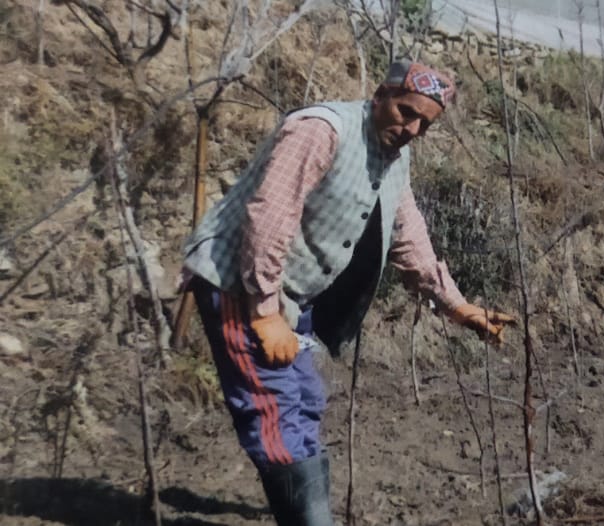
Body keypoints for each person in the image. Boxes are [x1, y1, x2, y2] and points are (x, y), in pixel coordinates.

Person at [179, 60, 516, 526]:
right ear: (380, 95)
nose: (412, 128)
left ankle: (306, 512)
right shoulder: (321, 131)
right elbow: (269, 217)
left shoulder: (395, 153)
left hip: (288, 298)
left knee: (307, 400)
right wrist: (263, 312)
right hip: (239, 283)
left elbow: (407, 232)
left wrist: (457, 307)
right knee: (273, 410)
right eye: (406, 112)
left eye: (425, 124)